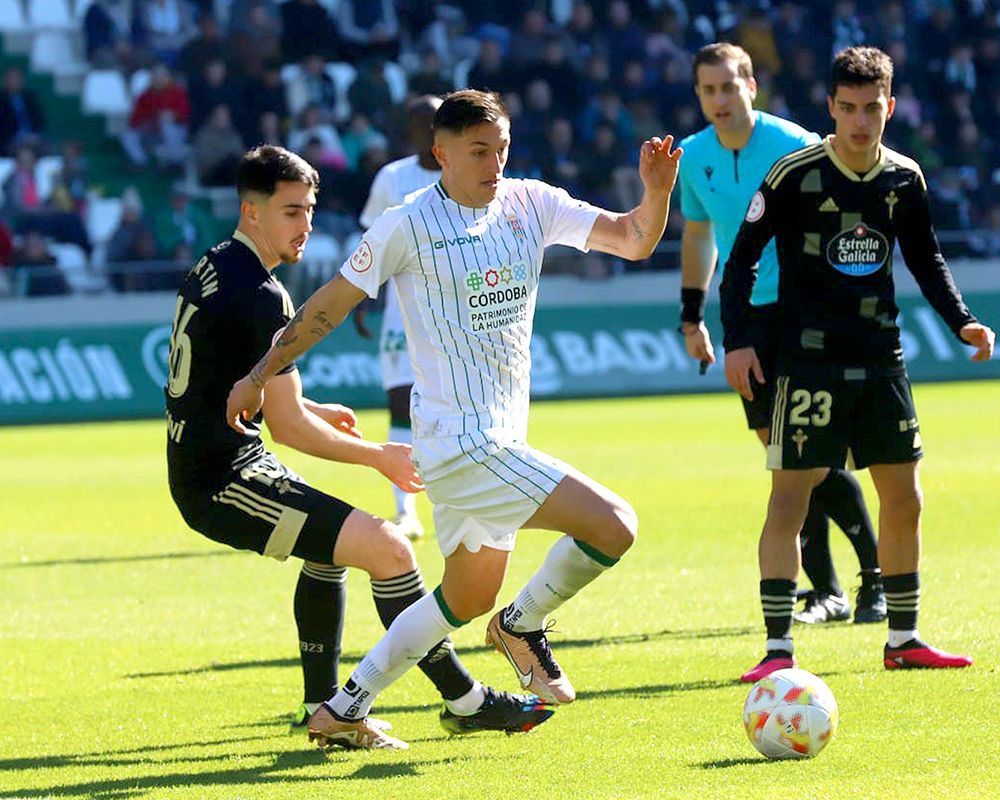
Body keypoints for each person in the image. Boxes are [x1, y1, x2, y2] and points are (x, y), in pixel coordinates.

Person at [225, 91, 680, 738]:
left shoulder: (532, 202)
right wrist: (258, 374)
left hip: (498, 440)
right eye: (477, 151)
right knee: (614, 525)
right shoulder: (407, 223)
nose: (494, 163)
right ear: (441, 154)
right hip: (458, 445)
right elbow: (327, 305)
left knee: (464, 597)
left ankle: (344, 706)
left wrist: (655, 190)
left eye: (501, 148)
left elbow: (633, 239)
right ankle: (522, 628)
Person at [167, 145, 553, 750]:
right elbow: (289, 430)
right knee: (390, 547)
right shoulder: (265, 295)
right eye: (291, 211)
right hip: (221, 481)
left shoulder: (215, 265)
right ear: (251, 211)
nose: (306, 225)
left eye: (310, 210)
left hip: (216, 462)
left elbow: (219, 374)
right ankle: (465, 699)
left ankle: (321, 706)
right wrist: (380, 455)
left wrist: (307, 403)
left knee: (332, 550)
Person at [720, 47, 995, 677]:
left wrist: (962, 321)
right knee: (789, 500)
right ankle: (777, 651)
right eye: (847, 108)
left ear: (889, 107)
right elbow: (741, 262)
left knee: (906, 499)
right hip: (808, 363)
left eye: (871, 108)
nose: (859, 121)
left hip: (881, 362)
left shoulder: (904, 179)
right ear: (831, 109)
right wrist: (738, 339)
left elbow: (927, 260)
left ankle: (903, 639)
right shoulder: (794, 175)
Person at [677, 43, 885, 628]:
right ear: (698, 95)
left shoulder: (795, 146)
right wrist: (692, 316)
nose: (720, 99)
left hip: (803, 316)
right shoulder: (694, 156)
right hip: (745, 322)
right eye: (708, 90)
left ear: (751, 85)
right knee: (787, 456)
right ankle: (830, 591)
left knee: (811, 457)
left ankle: (875, 580)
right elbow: (699, 237)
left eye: (729, 86)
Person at [353, 95, 444, 539]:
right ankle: (405, 509)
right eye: (420, 123)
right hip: (400, 309)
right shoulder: (393, 177)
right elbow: (370, 239)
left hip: (452, 308)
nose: (427, 131)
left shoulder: (461, 174)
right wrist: (361, 296)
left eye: (435, 122)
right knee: (400, 402)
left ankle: (458, 501)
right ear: (407, 131)